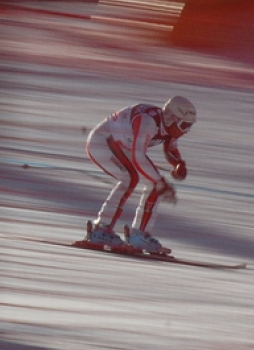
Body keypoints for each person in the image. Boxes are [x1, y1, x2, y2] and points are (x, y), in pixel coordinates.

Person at [82, 96, 196, 253]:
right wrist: (159, 180)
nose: (186, 131)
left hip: (122, 146)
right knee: (132, 179)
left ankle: (138, 235)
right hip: (102, 142)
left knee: (154, 184)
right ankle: (101, 229)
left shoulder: (169, 125)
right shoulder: (147, 123)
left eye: (189, 126)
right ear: (171, 119)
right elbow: (138, 156)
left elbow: (170, 148)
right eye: (184, 126)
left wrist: (178, 163)